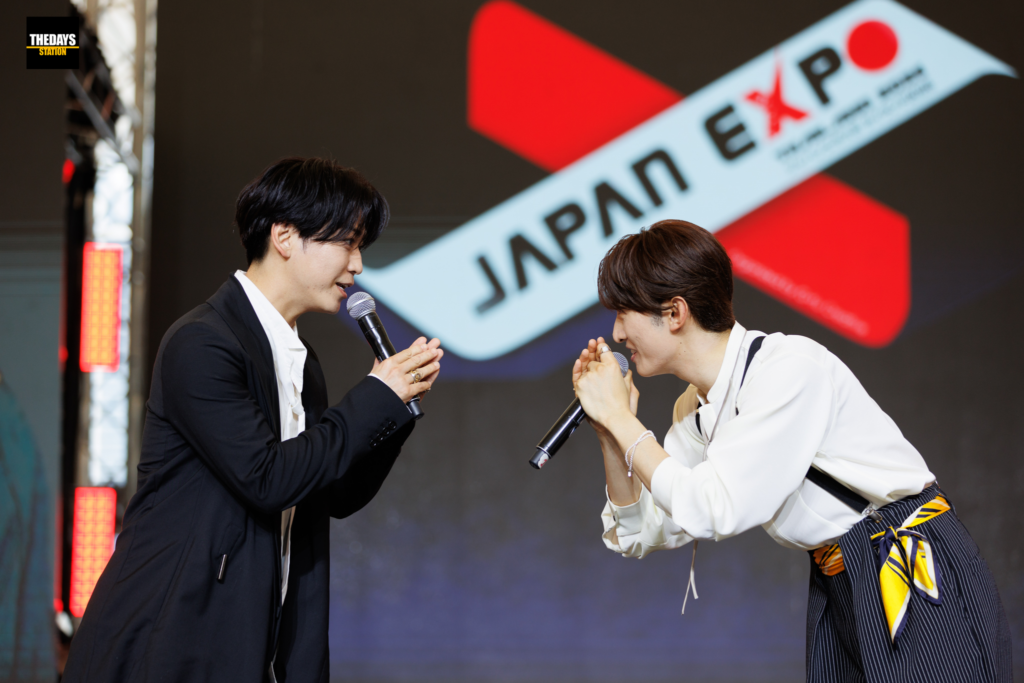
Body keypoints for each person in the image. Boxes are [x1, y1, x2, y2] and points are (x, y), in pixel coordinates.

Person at [572, 219, 1011, 682]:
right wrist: (609, 431)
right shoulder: (695, 408)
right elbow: (646, 531)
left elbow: (712, 508)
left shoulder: (786, 370)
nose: (617, 333)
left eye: (624, 313)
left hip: (907, 563)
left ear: (675, 312)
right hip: (840, 577)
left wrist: (623, 420)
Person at [63, 158, 443, 682]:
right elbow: (267, 478)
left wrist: (395, 408)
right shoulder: (203, 342)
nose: (357, 265)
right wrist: (377, 395)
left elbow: (332, 493)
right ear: (284, 237)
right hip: (171, 636)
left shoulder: (300, 362)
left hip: (254, 638)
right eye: (347, 243)